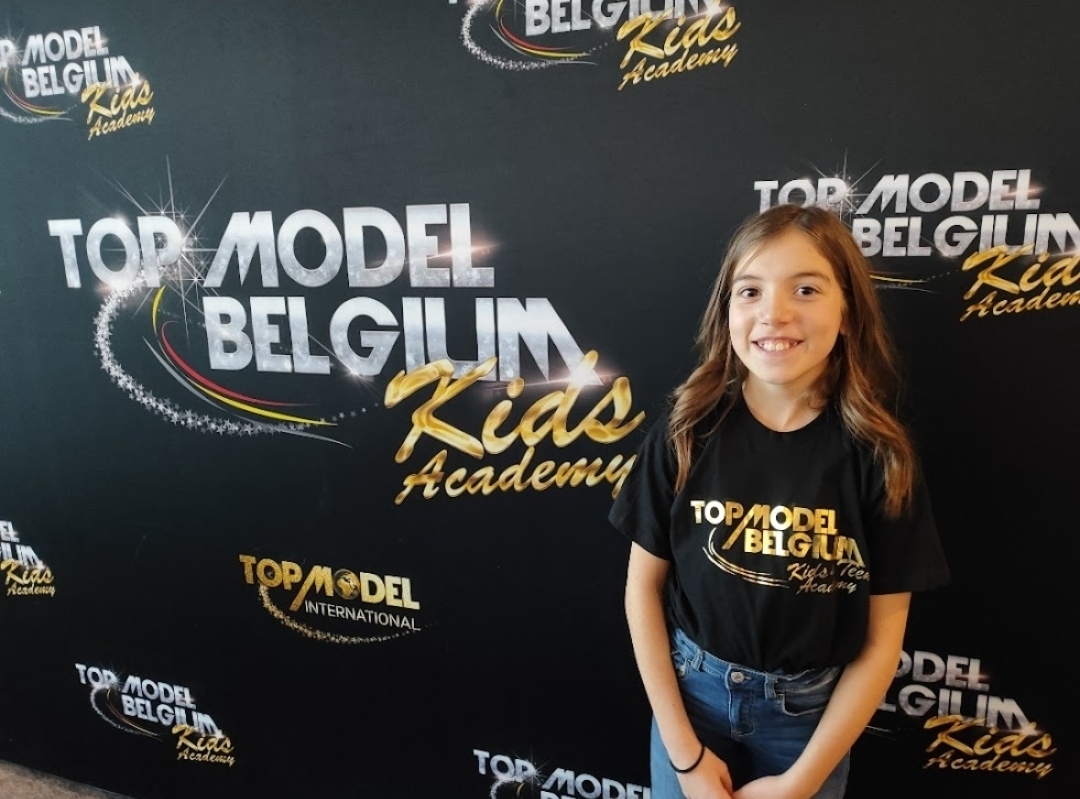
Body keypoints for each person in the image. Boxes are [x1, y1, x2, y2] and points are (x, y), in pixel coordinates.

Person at [609, 203, 950, 799]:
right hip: (691, 703)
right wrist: (685, 755)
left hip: (808, 724)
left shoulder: (880, 458)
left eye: (806, 289)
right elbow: (642, 590)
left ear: (848, 313)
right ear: (727, 311)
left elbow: (881, 641)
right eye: (751, 291)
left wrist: (802, 781)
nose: (774, 312)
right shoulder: (686, 432)